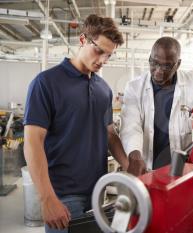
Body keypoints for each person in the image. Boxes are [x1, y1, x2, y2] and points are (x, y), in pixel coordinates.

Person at [23, 14, 129, 233]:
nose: (103, 61)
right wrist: (47, 199)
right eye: (99, 51)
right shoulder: (46, 83)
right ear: (83, 40)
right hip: (63, 197)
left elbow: (109, 134)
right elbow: (32, 142)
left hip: (98, 193)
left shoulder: (104, 90)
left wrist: (129, 166)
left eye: (109, 55)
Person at [120, 37, 193, 176]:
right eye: (154, 63)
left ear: (178, 64)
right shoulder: (134, 87)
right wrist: (134, 155)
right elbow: (131, 126)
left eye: (166, 66)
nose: (158, 71)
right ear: (149, 58)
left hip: (181, 170)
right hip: (146, 167)